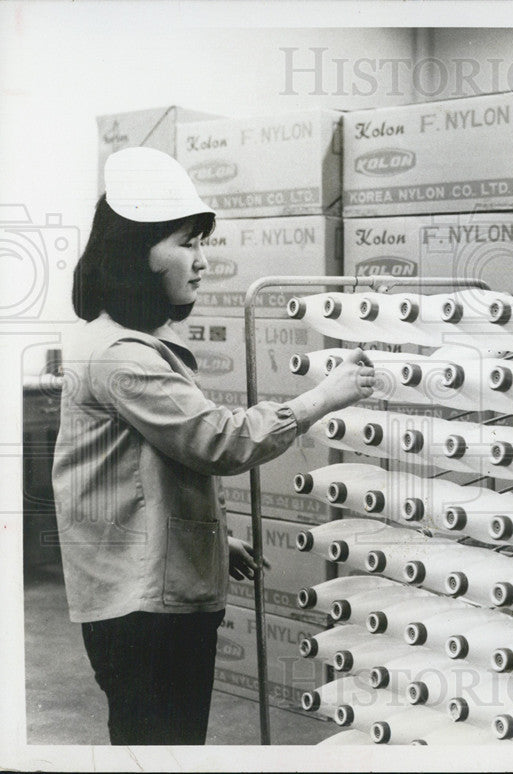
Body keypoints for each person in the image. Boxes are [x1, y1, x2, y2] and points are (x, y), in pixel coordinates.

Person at [51, 147, 375, 745]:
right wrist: (322, 398)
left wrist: (206, 539)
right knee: (162, 748)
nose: (201, 262)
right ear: (137, 255)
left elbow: (133, 476)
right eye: (186, 243)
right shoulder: (123, 357)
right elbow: (216, 442)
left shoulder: (107, 339)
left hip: (134, 588)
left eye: (203, 243)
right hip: (143, 612)